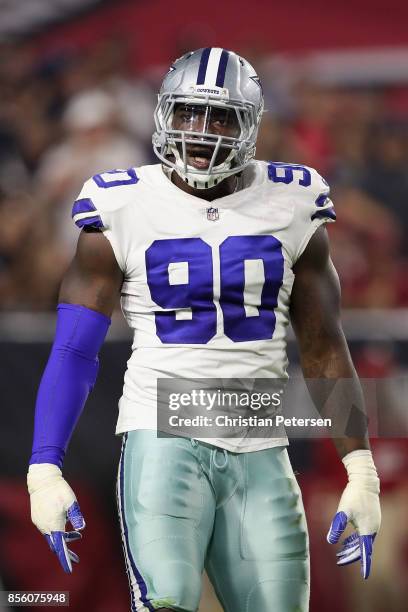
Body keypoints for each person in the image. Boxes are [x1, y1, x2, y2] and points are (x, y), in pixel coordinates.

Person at [27, 48, 381, 612]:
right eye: (190, 112)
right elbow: (74, 350)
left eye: (222, 116)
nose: (202, 130)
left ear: (251, 125)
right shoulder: (121, 202)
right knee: (169, 601)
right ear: (165, 113)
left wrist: (359, 468)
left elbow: (322, 344)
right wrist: (44, 466)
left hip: (260, 442)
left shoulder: (293, 200)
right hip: (161, 434)